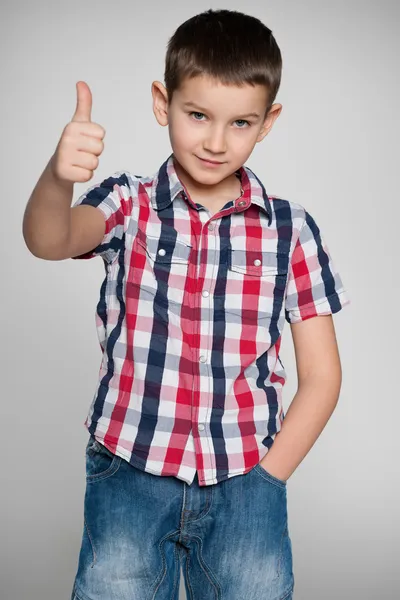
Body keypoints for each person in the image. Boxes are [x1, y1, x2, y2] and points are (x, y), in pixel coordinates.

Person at [22, 8, 350, 600]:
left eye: (241, 122)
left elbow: (323, 376)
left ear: (268, 122)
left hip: (245, 478)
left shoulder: (290, 230)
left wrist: (267, 480)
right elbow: (49, 240)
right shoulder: (128, 204)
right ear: (162, 102)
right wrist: (56, 175)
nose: (217, 141)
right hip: (129, 470)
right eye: (197, 115)